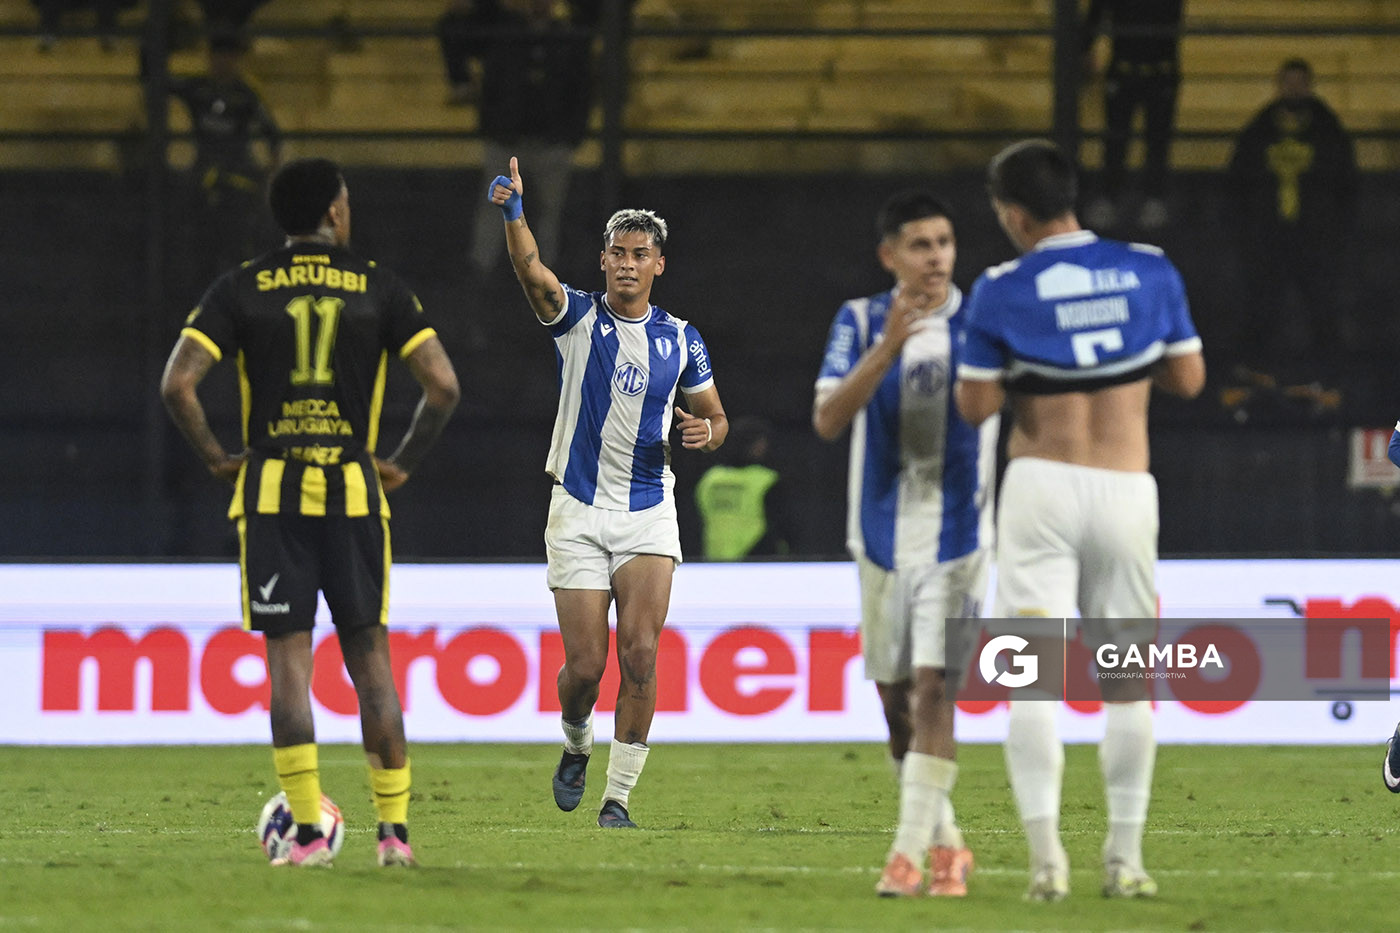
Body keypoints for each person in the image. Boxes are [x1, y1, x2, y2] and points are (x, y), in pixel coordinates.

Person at [160, 157, 461, 867]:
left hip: (272, 489)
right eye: (346, 201)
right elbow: (442, 386)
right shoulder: (378, 285)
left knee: (289, 670)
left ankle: (305, 836)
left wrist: (215, 455)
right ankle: (394, 837)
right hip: (354, 488)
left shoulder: (242, 285)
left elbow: (178, 384)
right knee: (372, 664)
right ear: (333, 211)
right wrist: (402, 462)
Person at [953, 139, 1205, 901]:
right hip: (1127, 487)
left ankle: (1045, 862)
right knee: (1129, 682)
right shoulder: (1150, 267)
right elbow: (1190, 378)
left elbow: (975, 406)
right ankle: (1125, 860)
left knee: (1031, 679)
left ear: (1012, 211)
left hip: (1041, 485)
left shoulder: (1001, 287)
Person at [487, 156, 728, 829]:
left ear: (659, 265)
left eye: (639, 254)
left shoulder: (682, 340)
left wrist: (704, 433)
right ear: (602, 261)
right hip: (578, 510)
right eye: (617, 253)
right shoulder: (576, 321)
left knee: (642, 653)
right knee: (587, 668)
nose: (626, 263)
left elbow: (717, 416)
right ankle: (575, 738)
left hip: (649, 510)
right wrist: (514, 213)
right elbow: (531, 270)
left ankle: (617, 797)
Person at [813, 190, 998, 897]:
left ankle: (908, 857)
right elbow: (828, 419)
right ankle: (949, 839)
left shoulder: (984, 318)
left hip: (959, 536)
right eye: (921, 245)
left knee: (934, 689)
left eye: (945, 242)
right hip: (881, 536)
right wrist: (891, 342)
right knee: (896, 704)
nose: (937, 257)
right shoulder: (858, 320)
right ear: (891, 254)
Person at [1226, 58, 1357, 391]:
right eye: (1289, 82)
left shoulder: (1329, 129)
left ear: (1309, 86)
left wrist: (1335, 231)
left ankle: (1330, 376)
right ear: (1279, 85)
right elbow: (1237, 182)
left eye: (1300, 82)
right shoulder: (1259, 130)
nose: (1294, 89)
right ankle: (1251, 372)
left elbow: (1347, 184)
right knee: (1260, 304)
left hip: (1315, 236)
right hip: (1268, 235)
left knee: (1322, 306)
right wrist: (1247, 231)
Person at [462, 0, 596, 277]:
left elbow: (581, 89)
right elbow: (492, 85)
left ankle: (542, 276)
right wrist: (493, 129)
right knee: (495, 208)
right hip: (510, 139)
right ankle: (481, 270)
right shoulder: (508, 36)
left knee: (549, 212)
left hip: (549, 142)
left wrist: (570, 135)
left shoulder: (565, 38)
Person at [170, 27, 283, 287]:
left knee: (237, 251)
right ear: (210, 57)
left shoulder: (246, 95)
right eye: (220, 55)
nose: (225, 63)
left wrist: (269, 178)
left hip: (237, 183)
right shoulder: (196, 88)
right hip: (202, 180)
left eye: (231, 56)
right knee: (199, 251)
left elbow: (274, 137)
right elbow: (159, 83)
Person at [1080, 0, 1184, 231]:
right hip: (1126, 67)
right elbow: (1097, 11)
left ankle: (1153, 197)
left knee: (1157, 138)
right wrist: (1086, 47)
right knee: (1116, 137)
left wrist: (1087, 46)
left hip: (1159, 69)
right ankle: (1110, 196)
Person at [693, 416, 790, 560]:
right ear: (756, 444)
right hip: (757, 560)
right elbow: (783, 526)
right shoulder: (766, 480)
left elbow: (697, 520)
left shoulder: (710, 480)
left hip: (714, 560)